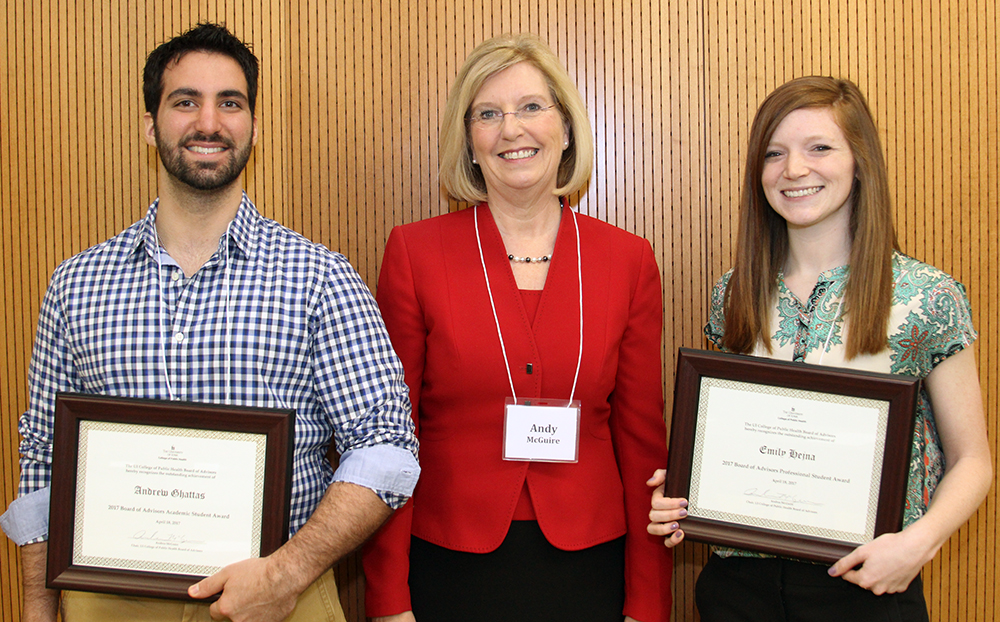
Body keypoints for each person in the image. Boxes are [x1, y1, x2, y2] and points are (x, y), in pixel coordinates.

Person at [0, 23, 419, 622]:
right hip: (109, 602)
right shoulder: (76, 285)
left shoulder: (320, 277)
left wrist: (285, 573)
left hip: (279, 601)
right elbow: (43, 459)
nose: (209, 123)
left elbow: (386, 446)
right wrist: (38, 614)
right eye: (185, 101)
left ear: (253, 125)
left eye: (231, 102)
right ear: (149, 126)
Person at [646, 76, 993, 621]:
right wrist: (687, 489)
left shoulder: (928, 297)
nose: (795, 170)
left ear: (860, 162)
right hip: (736, 590)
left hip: (867, 586)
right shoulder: (734, 294)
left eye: (820, 148)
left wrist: (917, 544)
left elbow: (973, 461)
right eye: (774, 153)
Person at [362, 33, 672, 622]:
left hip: (590, 561)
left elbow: (641, 442)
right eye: (488, 113)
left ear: (566, 128)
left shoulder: (626, 259)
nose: (512, 129)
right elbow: (390, 437)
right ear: (470, 141)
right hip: (449, 560)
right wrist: (388, 600)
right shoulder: (416, 253)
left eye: (532, 107)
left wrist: (649, 602)